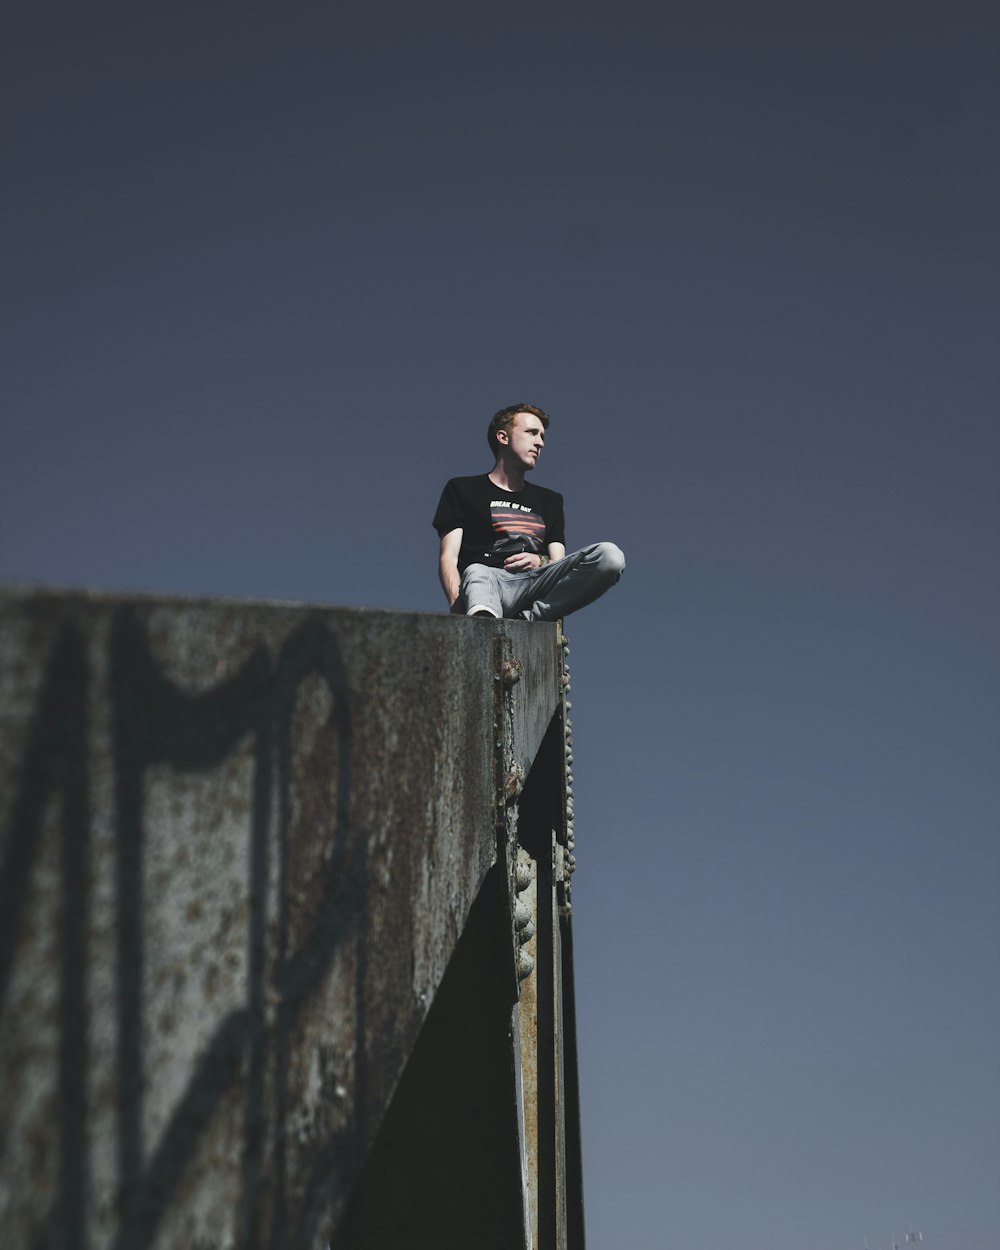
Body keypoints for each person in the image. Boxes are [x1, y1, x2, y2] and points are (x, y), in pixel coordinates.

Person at [432, 402, 625, 621]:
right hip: (489, 582)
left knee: (610, 556)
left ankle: (530, 620)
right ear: (503, 437)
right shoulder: (462, 489)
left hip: (536, 584)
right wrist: (458, 611)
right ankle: (485, 626)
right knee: (477, 570)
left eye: (542, 436)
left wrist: (540, 562)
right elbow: (448, 557)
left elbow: (557, 563)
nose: (540, 443)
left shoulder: (550, 501)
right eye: (532, 433)